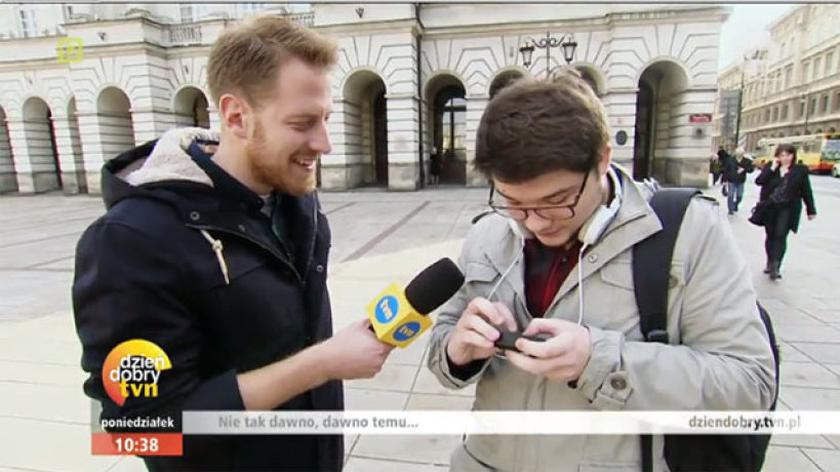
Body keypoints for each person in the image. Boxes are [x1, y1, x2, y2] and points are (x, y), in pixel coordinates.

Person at [72, 16, 393, 471]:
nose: (323, 143)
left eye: (325, 119)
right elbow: (138, 432)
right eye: (302, 123)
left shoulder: (295, 199)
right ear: (237, 116)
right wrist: (321, 364)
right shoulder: (129, 242)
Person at [426, 70, 775, 471]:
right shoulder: (488, 233)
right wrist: (458, 352)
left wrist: (600, 361)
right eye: (512, 201)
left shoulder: (689, 231)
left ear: (603, 158)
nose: (535, 223)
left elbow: (750, 386)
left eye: (558, 200)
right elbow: (444, 357)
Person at [755, 143, 817, 280]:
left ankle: (776, 265)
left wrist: (811, 209)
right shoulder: (771, 168)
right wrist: (771, 168)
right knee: (770, 235)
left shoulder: (800, 170)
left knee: (780, 235)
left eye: (788, 155)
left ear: (793, 155)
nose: (785, 158)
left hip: (788, 208)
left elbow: (806, 190)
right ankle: (770, 261)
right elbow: (759, 181)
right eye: (782, 155)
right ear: (777, 156)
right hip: (770, 207)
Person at [722, 147, 754, 214]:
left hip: (741, 181)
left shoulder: (747, 161)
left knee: (740, 196)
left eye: (741, 153)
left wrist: (744, 169)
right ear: (736, 153)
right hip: (731, 181)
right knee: (730, 195)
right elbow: (725, 170)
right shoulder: (730, 160)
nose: (739, 154)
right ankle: (730, 210)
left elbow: (751, 169)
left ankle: (735, 204)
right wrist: (724, 181)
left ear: (743, 154)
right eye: (738, 153)